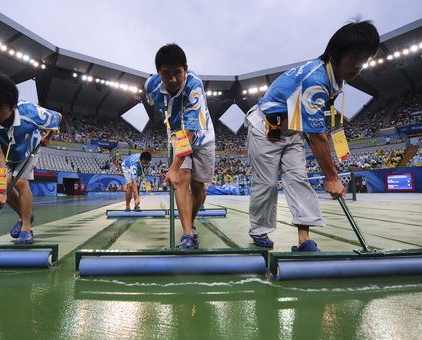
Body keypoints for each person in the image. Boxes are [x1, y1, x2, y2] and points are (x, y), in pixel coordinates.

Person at [245, 20, 379, 251]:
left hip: (293, 131)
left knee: (299, 179)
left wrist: (331, 175)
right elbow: (317, 137)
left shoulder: (334, 78)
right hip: (265, 130)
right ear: (334, 55)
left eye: (364, 60)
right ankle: (260, 231)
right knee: (266, 184)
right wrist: (332, 178)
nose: (359, 66)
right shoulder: (315, 81)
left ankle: (304, 240)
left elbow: (312, 127)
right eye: (354, 58)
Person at [0, 72, 61, 244]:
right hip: (5, 150)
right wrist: (0, 192)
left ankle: (26, 228)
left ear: (13, 106)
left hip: (28, 147)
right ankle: (23, 216)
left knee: (20, 182)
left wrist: (48, 136)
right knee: (2, 184)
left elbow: (58, 118)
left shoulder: (31, 112)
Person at [145, 43, 216, 248]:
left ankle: (190, 222)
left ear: (186, 68)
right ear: (158, 72)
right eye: (166, 74)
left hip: (202, 136)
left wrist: (173, 167)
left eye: (178, 73)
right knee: (181, 180)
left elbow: (190, 132)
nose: (173, 79)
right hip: (177, 134)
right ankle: (188, 234)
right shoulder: (151, 86)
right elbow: (156, 105)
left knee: (198, 185)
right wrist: (177, 169)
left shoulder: (195, 85)